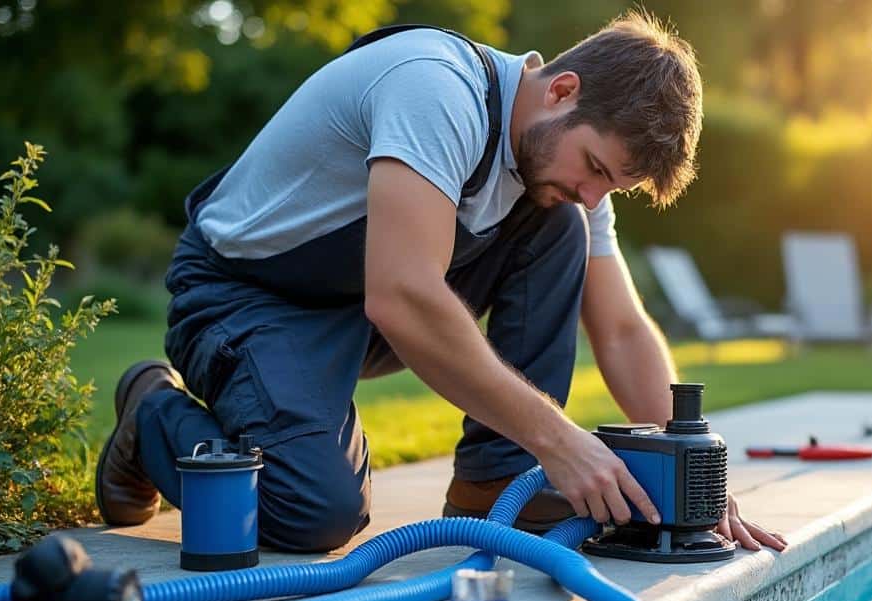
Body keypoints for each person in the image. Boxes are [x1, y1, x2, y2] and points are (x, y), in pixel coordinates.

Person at [94, 12, 787, 555]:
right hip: (245, 296)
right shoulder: (437, 88)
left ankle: (492, 482)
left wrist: (694, 475)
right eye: (595, 168)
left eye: (611, 185)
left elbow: (624, 327)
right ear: (563, 91)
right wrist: (558, 440)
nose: (592, 193)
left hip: (359, 307)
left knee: (560, 229)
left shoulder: (558, 178)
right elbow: (401, 294)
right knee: (314, 516)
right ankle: (152, 409)